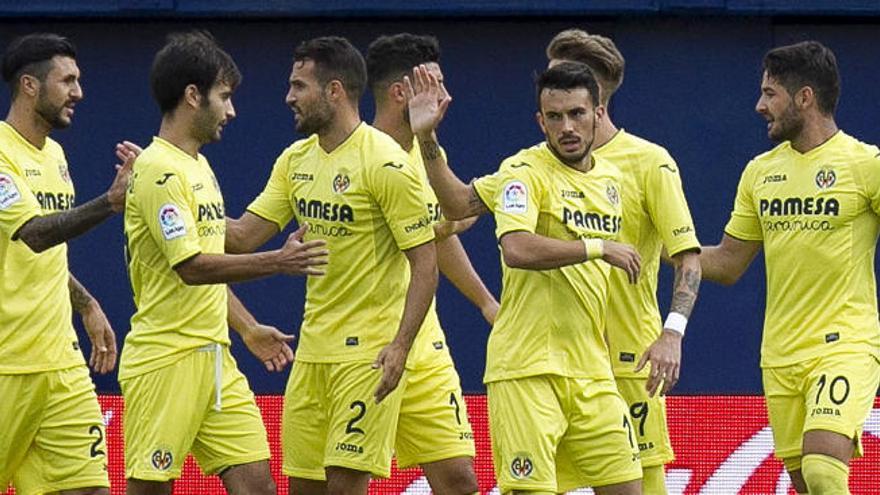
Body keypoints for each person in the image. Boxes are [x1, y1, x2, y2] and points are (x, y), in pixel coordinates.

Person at [409, 28, 703, 494]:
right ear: (540, 120)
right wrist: (427, 141)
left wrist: (673, 332)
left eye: (576, 114)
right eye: (555, 116)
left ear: (598, 109)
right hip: (530, 368)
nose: (566, 126)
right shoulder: (522, 171)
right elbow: (481, 219)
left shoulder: (628, 171)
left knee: (637, 486)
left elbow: (688, 257)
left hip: (610, 366)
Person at [224, 36, 437, 495]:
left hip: (367, 355)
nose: (289, 97)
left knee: (344, 487)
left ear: (334, 91)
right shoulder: (294, 160)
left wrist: (400, 345)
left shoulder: (384, 162)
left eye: (299, 86)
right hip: (311, 354)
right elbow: (242, 236)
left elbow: (426, 263)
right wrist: (178, 201)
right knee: (304, 487)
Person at [120, 31, 326, 495]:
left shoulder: (198, 166)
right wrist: (278, 261)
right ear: (193, 96)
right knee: (149, 488)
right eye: (225, 96)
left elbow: (218, 247)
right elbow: (191, 267)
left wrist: (248, 327)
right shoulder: (159, 170)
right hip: (166, 360)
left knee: (259, 486)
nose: (231, 111)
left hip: (216, 359)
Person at [700, 40, 880, 495]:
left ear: (805, 97)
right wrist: (659, 245)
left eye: (769, 93)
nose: (760, 106)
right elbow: (726, 263)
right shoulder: (759, 173)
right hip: (779, 356)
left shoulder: (865, 165)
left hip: (844, 344)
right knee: (808, 486)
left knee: (823, 469)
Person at [366, 32, 499, 494]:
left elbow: (433, 237)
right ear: (402, 92)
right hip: (364, 346)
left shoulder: (424, 155)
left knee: (460, 478)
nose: (445, 97)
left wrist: (485, 303)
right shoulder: (359, 156)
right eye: (433, 85)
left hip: (424, 344)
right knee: (344, 482)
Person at [0, 32, 132, 495]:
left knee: (89, 488)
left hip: (60, 362)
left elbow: (44, 251)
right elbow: (33, 234)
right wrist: (110, 203)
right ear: (29, 86)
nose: (79, 92)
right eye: (68, 80)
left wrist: (86, 303)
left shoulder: (54, 155)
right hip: (7, 365)